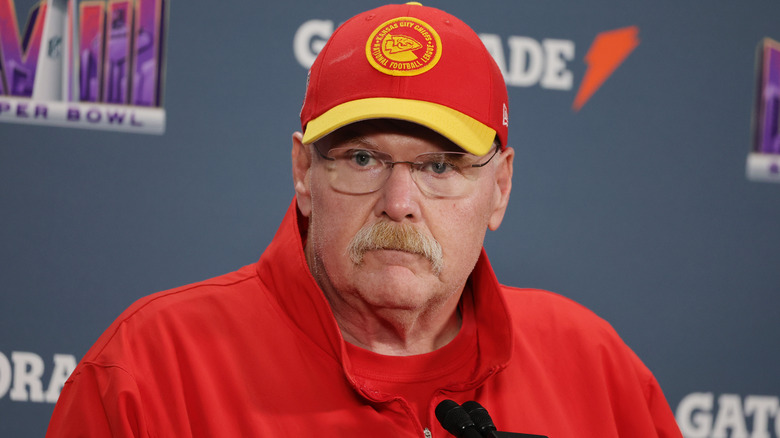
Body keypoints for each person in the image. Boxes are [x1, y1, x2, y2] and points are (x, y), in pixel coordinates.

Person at [47, 3, 682, 437]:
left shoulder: (599, 372)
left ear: (500, 188)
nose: (399, 201)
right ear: (303, 171)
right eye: (362, 157)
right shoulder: (151, 374)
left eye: (439, 166)